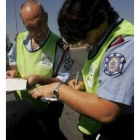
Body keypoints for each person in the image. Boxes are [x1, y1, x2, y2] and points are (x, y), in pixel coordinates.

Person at [30, 0, 134, 140]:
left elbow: (107, 111)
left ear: (102, 19)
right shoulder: (103, 38)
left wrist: (58, 89)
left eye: (86, 37)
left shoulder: (123, 46)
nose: (85, 43)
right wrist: (84, 86)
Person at [6, 0, 73, 139]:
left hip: (47, 109)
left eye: (40, 24)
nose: (37, 31)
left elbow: (63, 81)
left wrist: (39, 79)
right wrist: (13, 72)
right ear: (24, 25)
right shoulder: (19, 40)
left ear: (47, 17)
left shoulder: (59, 46)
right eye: (31, 27)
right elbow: (13, 64)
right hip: (22, 108)